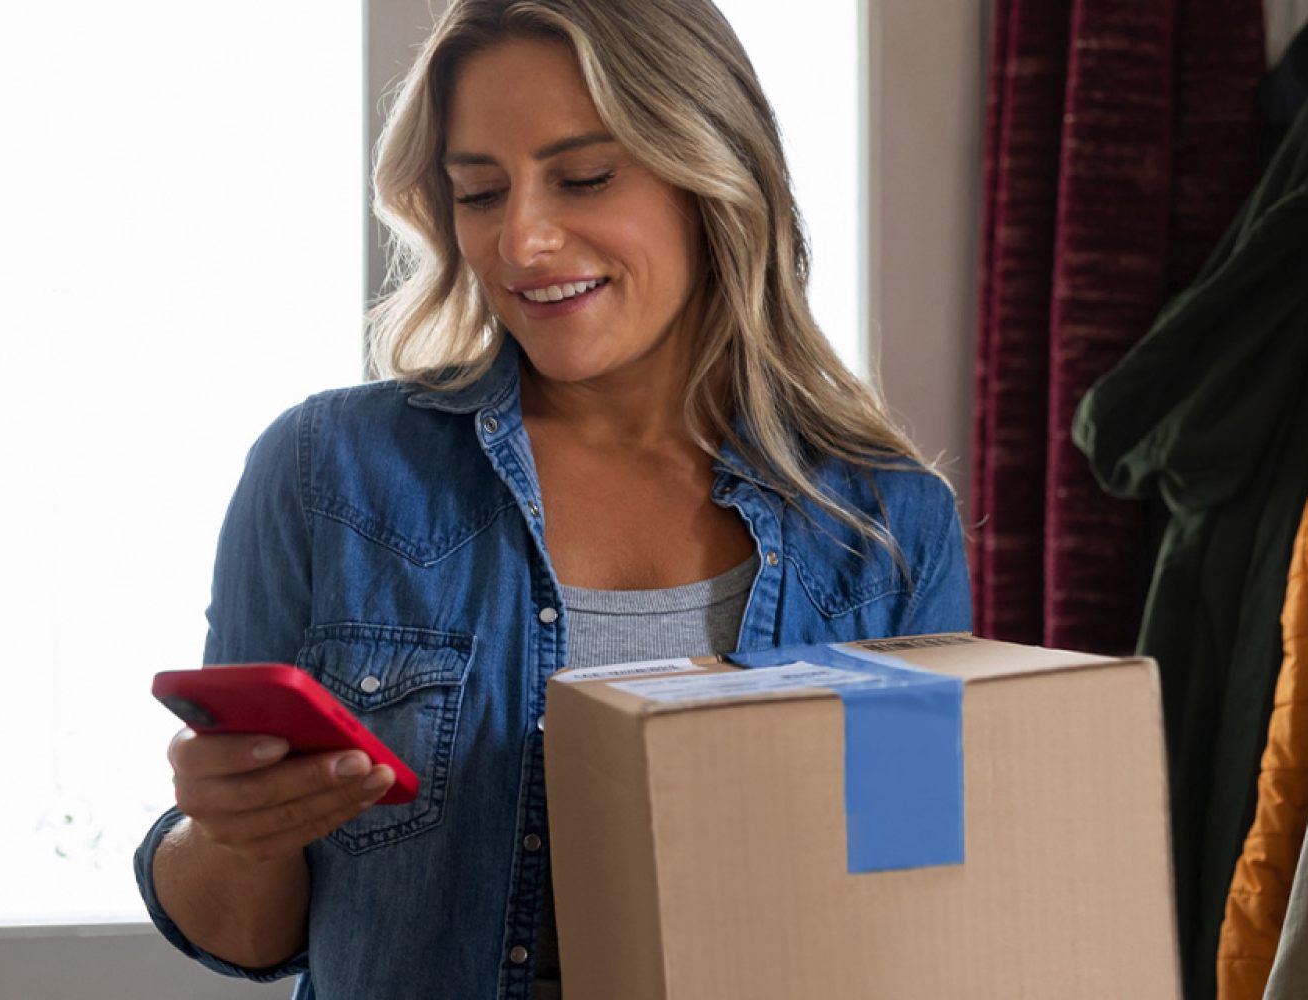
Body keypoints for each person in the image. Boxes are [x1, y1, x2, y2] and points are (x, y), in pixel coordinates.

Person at [133, 1, 972, 997]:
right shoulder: (328, 474)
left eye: (584, 178)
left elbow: (915, 909)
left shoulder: (886, 528)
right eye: (479, 192)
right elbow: (248, 934)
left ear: (714, 173)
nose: (522, 240)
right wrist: (230, 832)